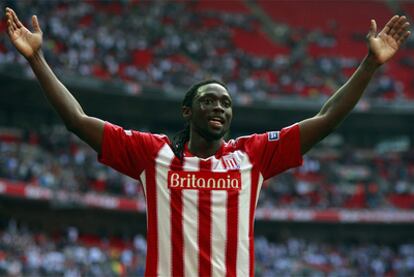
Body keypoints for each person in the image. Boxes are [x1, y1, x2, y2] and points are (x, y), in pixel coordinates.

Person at [5, 7, 410, 277]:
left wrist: (370, 65)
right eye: (209, 100)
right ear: (188, 112)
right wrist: (37, 59)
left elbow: (325, 118)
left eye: (227, 103)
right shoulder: (153, 154)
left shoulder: (253, 155)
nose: (220, 107)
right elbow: (76, 120)